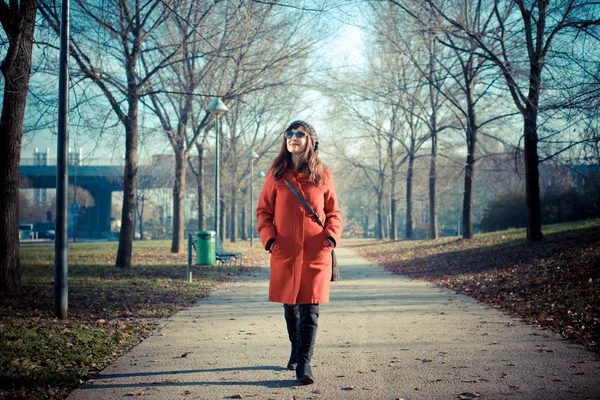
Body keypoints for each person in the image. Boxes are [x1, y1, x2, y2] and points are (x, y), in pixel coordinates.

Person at [256, 120, 342, 385]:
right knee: (290, 305)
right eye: (289, 134)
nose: (293, 137)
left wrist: (330, 237)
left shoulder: (323, 173)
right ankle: (295, 347)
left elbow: (334, 212)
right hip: (286, 252)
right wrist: (270, 240)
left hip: (317, 251)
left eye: (299, 134)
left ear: (310, 140)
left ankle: (304, 363)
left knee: (310, 307)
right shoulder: (277, 173)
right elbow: (264, 212)